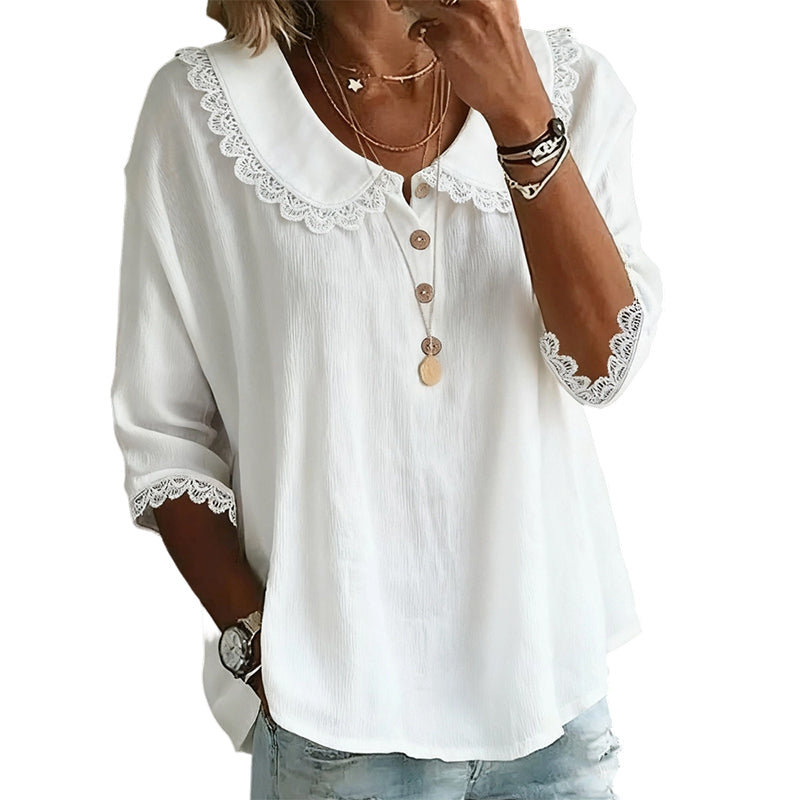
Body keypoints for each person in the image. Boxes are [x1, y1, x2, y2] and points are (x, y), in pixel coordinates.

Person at [110, 0, 663, 797]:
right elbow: (163, 429)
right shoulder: (203, 110)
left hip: (553, 708)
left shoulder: (567, 86)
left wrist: (520, 116)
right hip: (336, 727)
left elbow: (603, 364)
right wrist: (258, 645)